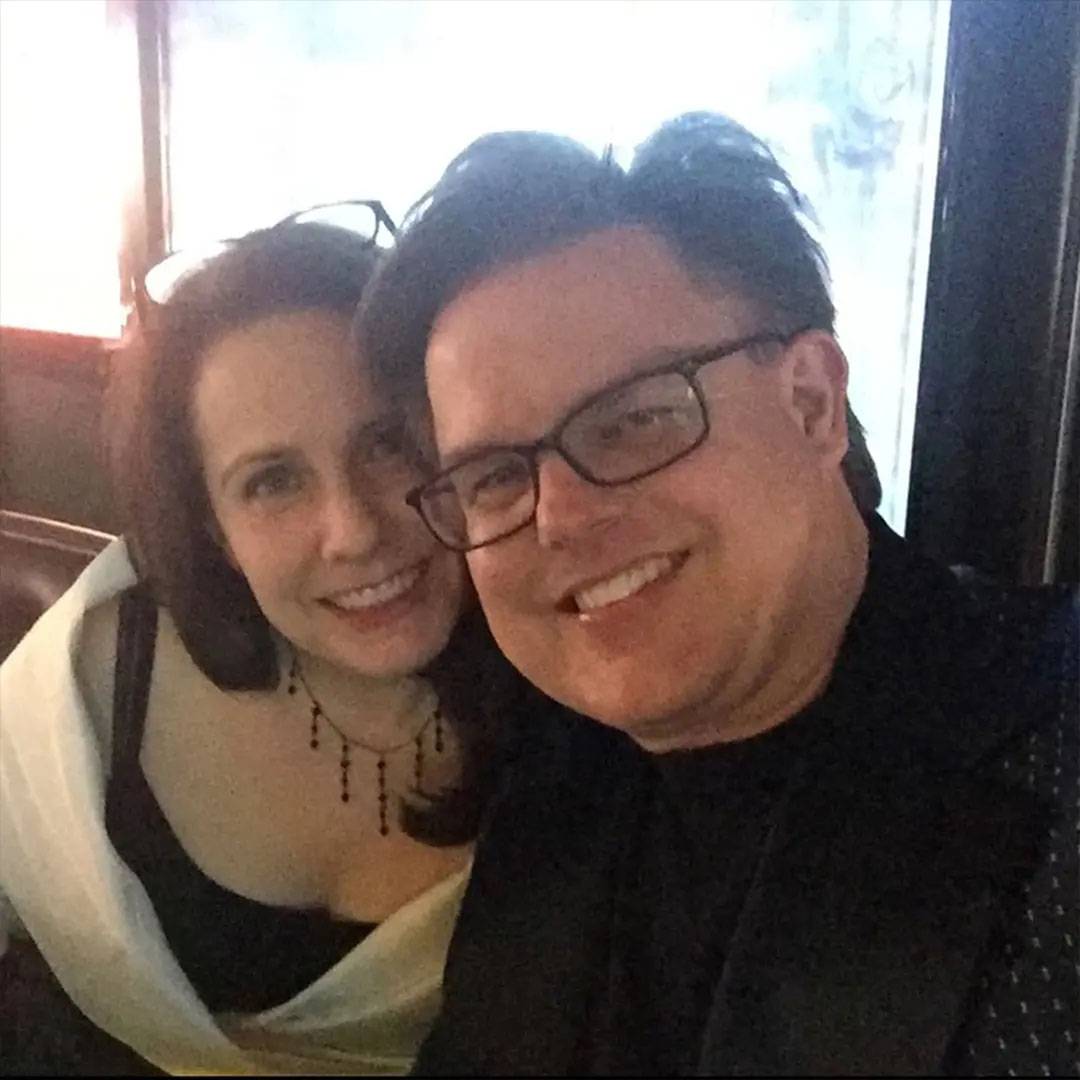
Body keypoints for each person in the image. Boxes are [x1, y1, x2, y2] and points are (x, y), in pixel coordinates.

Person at [357, 114, 1079, 1076]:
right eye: (494, 475)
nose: (559, 518)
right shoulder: (540, 762)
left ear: (812, 403)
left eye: (634, 419)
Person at [0, 217, 519, 1074]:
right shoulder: (90, 686)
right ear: (212, 526)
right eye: (272, 481)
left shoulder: (582, 690)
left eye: (387, 446)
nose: (353, 533)